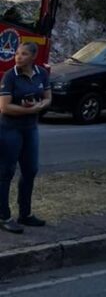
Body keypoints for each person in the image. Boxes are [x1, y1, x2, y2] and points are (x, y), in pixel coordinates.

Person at [0, 42, 51, 234]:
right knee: (6, 172)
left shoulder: (41, 74)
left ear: (33, 57)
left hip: (30, 129)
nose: (18, 57)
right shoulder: (10, 76)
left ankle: (26, 214)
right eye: (17, 54)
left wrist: (42, 104)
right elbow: (4, 107)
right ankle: (3, 216)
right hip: (9, 129)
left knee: (30, 170)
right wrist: (29, 109)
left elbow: (48, 96)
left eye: (23, 54)